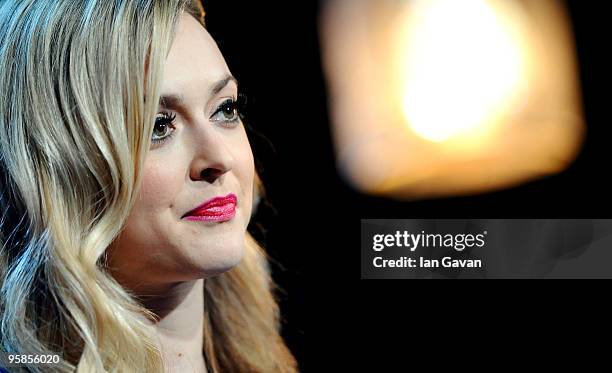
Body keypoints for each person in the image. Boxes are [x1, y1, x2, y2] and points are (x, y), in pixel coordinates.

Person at [0, 0, 297, 372]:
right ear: (60, 168)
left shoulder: (262, 347)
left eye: (225, 109)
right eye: (158, 126)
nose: (219, 158)